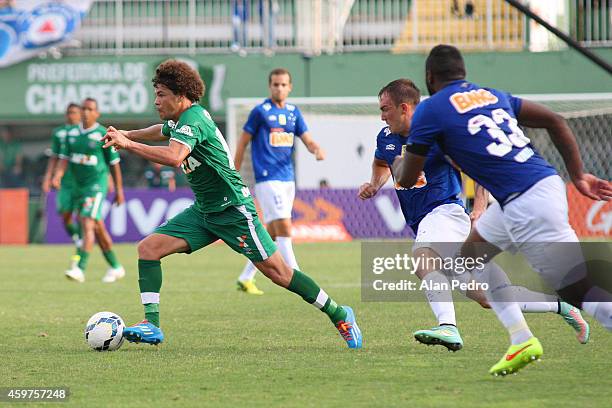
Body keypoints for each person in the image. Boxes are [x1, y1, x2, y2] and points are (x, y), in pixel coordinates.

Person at [101, 60, 361, 349]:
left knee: (280, 273)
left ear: (180, 93)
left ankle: (339, 314)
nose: (156, 100)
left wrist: (129, 145)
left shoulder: (194, 119)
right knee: (148, 248)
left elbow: (175, 157)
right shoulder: (180, 120)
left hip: (234, 210)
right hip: (204, 211)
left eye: (161, 94)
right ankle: (151, 324)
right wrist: (128, 134)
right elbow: (161, 130)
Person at [393, 44, 612, 375]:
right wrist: (578, 175)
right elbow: (554, 120)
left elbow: (408, 177)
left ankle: (562, 313)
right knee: (469, 259)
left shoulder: (431, 111)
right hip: (526, 193)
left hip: (526, 200)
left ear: (429, 77)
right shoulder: (492, 94)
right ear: (463, 72)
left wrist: (400, 164)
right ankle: (521, 339)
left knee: (576, 286)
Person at [360, 78, 589, 352]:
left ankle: (448, 327)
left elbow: (478, 167)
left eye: (385, 109)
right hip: (427, 220)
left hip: (444, 211)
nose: (382, 115)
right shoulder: (386, 137)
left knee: (423, 258)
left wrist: (479, 208)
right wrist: (374, 184)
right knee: (484, 295)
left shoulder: (435, 133)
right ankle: (561, 305)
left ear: (405, 108)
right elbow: (381, 161)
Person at [233, 68, 325, 295]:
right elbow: (243, 142)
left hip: (288, 179)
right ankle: (296, 272)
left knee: (273, 233)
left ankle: (246, 277)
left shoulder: (294, 113)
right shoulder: (260, 112)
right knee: (284, 225)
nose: (279, 88)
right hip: (267, 178)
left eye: (283, 85)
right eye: (275, 84)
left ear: (290, 87)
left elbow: (307, 139)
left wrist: (316, 149)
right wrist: (233, 172)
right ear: (270, 86)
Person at [52, 98, 126, 283]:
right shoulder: (71, 134)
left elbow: (114, 165)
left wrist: (119, 190)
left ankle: (79, 268)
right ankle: (116, 267)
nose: (85, 112)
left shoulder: (103, 134)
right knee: (98, 228)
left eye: (90, 109)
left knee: (87, 221)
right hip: (77, 186)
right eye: (83, 108)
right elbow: (64, 158)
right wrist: (58, 175)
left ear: (97, 113)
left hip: (95, 185)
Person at [42, 103, 84, 266]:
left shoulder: (85, 132)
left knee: (82, 216)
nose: (70, 115)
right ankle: (76, 237)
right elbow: (55, 157)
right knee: (64, 213)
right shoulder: (59, 133)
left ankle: (80, 248)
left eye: (74, 112)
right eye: (68, 112)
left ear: (80, 114)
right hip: (65, 181)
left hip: (82, 181)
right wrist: (49, 177)